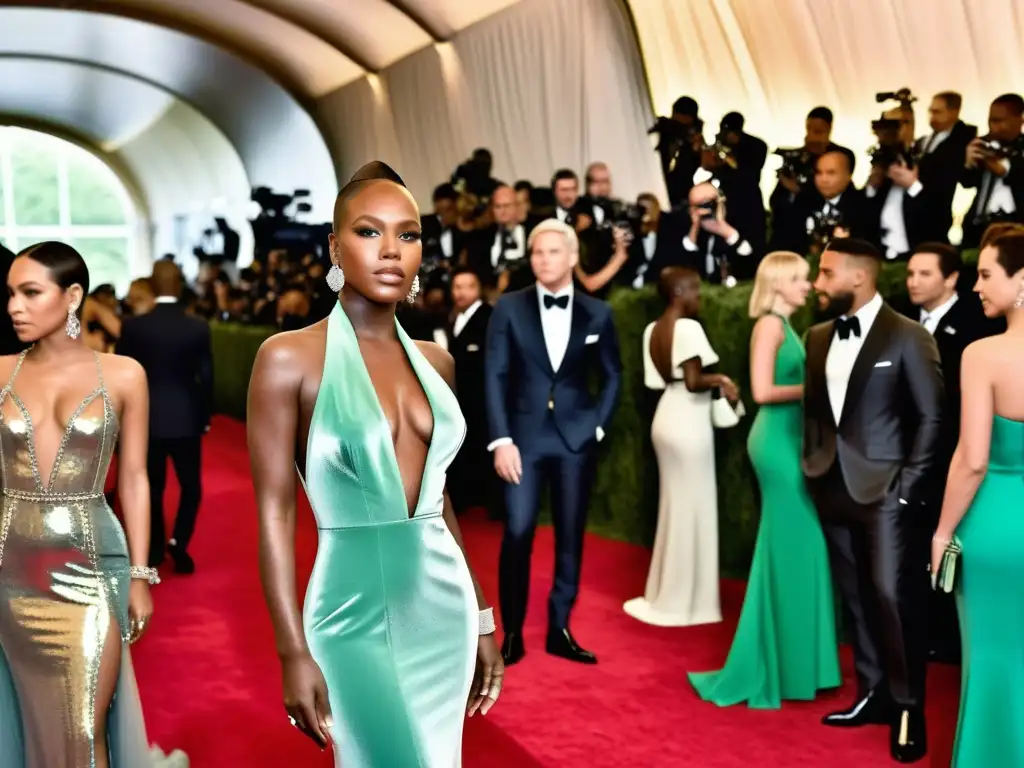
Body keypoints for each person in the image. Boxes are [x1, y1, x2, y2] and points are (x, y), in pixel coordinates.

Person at [248, 162, 502, 767]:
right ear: (334, 246)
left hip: (443, 609)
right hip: (349, 612)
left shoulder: (436, 362)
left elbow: (439, 502)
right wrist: (291, 649)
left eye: (408, 234)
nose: (391, 250)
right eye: (369, 232)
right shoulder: (287, 358)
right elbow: (274, 512)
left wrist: (482, 616)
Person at [0, 242, 182, 767]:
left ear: (73, 296)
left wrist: (143, 574)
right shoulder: (2, 372)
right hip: (10, 572)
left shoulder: (123, 375)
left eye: (31, 293)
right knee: (29, 721)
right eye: (10, 293)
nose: (15, 306)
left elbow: (135, 478)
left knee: (85, 723)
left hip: (92, 566)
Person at [802, 238, 942, 763]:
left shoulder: (908, 336)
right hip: (830, 484)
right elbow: (815, 413)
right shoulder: (816, 337)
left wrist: (908, 487)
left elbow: (932, 418)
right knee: (856, 597)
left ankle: (908, 705)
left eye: (826, 273)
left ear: (858, 278)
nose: (818, 284)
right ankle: (874, 692)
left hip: (886, 493)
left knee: (891, 596)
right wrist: (812, 464)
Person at [689, 252, 841, 706]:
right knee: (798, 542)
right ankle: (786, 666)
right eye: (799, 279)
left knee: (796, 545)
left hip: (790, 439)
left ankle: (800, 665)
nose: (809, 284)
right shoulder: (770, 327)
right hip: (776, 444)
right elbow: (761, 392)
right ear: (777, 284)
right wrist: (821, 385)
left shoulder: (786, 326)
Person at [485, 219, 621, 666]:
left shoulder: (598, 313)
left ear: (573, 257)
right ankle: (514, 632)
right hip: (521, 440)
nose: (543, 260)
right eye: (536, 252)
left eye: (552, 252)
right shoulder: (508, 307)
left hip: (575, 439)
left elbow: (614, 374)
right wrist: (501, 439)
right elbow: (495, 375)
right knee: (518, 530)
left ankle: (560, 627)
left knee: (570, 535)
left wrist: (597, 426)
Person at [931, 232, 1024, 766]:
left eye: (986, 274)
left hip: (992, 530)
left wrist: (943, 533)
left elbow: (972, 458)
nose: (975, 286)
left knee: (990, 662)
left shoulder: (983, 353)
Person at [903, 242, 1005, 663]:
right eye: (910, 273)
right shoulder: (902, 321)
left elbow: (974, 450)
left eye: (924, 274)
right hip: (915, 457)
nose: (912, 281)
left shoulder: (980, 339)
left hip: (973, 474)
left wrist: (944, 531)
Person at [623, 267, 737, 627]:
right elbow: (691, 382)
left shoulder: (651, 329)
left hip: (665, 417)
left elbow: (660, 381)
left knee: (674, 509)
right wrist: (721, 378)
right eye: (696, 291)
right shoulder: (688, 328)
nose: (699, 299)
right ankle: (687, 603)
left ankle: (665, 593)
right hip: (688, 420)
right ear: (679, 292)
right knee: (695, 508)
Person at [117, 261, 213, 574]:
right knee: (191, 487)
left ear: (153, 286)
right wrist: (204, 416)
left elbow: (122, 374)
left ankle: (155, 547)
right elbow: (207, 377)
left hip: (147, 420)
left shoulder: (134, 327)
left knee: (152, 486)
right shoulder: (197, 326)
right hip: (186, 419)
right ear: (180, 285)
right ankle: (179, 542)